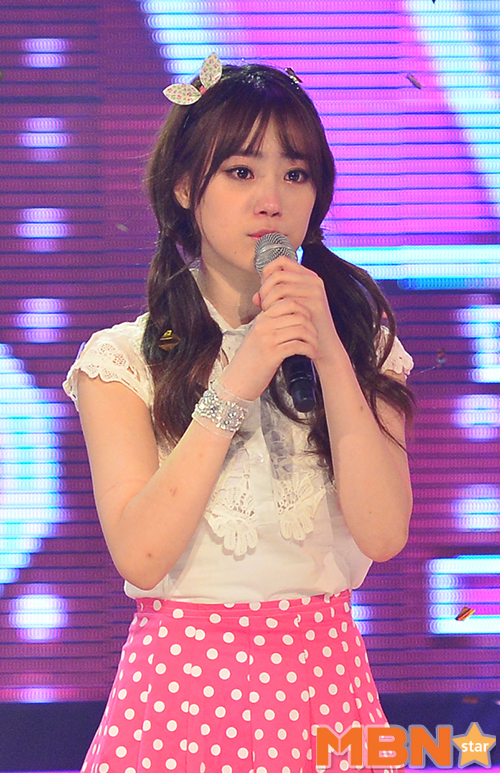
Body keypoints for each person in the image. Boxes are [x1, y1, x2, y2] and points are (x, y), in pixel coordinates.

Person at [63, 54, 414, 773]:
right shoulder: (122, 359)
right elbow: (141, 554)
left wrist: (330, 352)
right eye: (242, 171)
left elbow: (383, 532)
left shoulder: (362, 344)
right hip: (181, 695)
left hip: (326, 689)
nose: (271, 200)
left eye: (296, 173)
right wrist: (241, 377)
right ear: (186, 186)